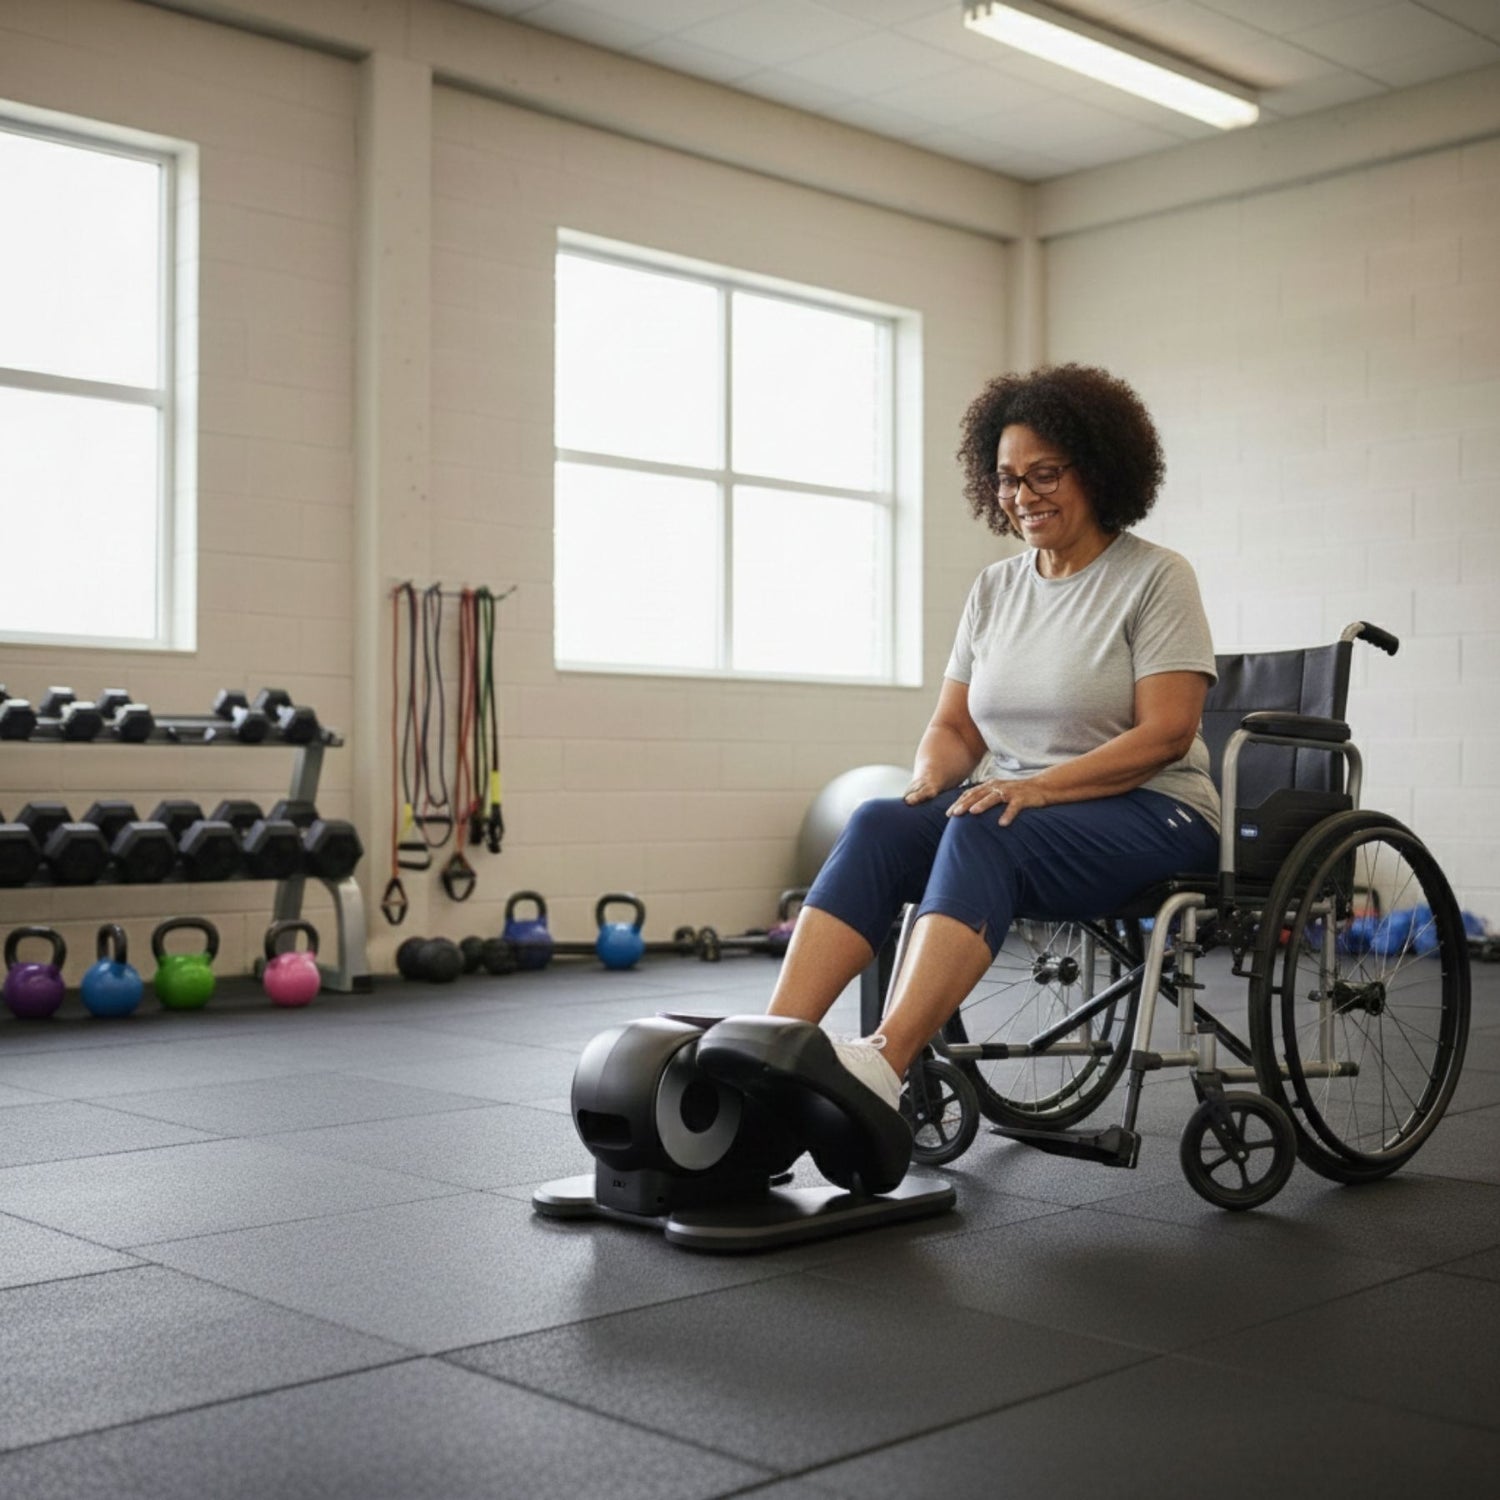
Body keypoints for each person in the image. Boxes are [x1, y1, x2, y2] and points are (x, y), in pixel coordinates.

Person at [766, 363, 1220, 1112]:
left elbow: (1167, 734)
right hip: (1024, 810)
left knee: (989, 826)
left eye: (1044, 474)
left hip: (1155, 812)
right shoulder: (995, 589)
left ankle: (884, 1061)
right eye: (1008, 479)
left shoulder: (1156, 578)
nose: (1023, 496)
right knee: (881, 822)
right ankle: (771, 1047)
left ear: (1100, 471)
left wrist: (1034, 787)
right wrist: (927, 779)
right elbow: (955, 726)